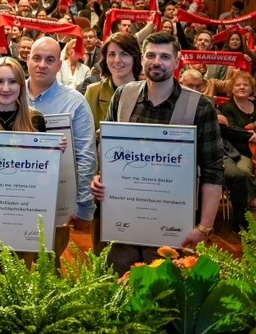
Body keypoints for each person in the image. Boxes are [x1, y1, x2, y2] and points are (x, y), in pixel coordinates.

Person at [90, 32, 224, 274]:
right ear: (142, 59)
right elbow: (108, 153)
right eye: (151, 55)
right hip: (121, 218)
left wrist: (204, 227)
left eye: (164, 56)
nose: (156, 62)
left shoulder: (201, 107)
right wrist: (99, 178)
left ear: (177, 61)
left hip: (172, 222)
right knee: (114, 289)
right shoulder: (122, 96)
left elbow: (213, 171)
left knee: (164, 294)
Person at [0, 58, 64, 257]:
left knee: (15, 284)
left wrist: (54, 154)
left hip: (22, 219)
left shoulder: (35, 121)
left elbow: (43, 178)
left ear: (21, 86)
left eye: (12, 81)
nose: (6, 88)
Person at [24, 37, 97, 256]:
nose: (42, 64)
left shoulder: (75, 102)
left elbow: (86, 156)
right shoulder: (9, 94)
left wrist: (85, 205)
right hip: (13, 198)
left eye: (49, 60)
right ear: (27, 59)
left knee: (49, 267)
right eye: (36, 58)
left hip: (58, 201)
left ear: (59, 65)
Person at [216, 71, 256, 231]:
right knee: (243, 172)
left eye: (246, 85)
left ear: (252, 88)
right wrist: (254, 135)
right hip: (238, 151)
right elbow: (230, 130)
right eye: (238, 84)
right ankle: (247, 214)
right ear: (231, 88)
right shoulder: (226, 107)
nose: (242, 87)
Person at [84, 32, 142, 128]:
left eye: (124, 54)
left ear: (134, 58)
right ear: (105, 59)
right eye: (111, 54)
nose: (117, 60)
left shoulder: (150, 92)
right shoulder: (92, 92)